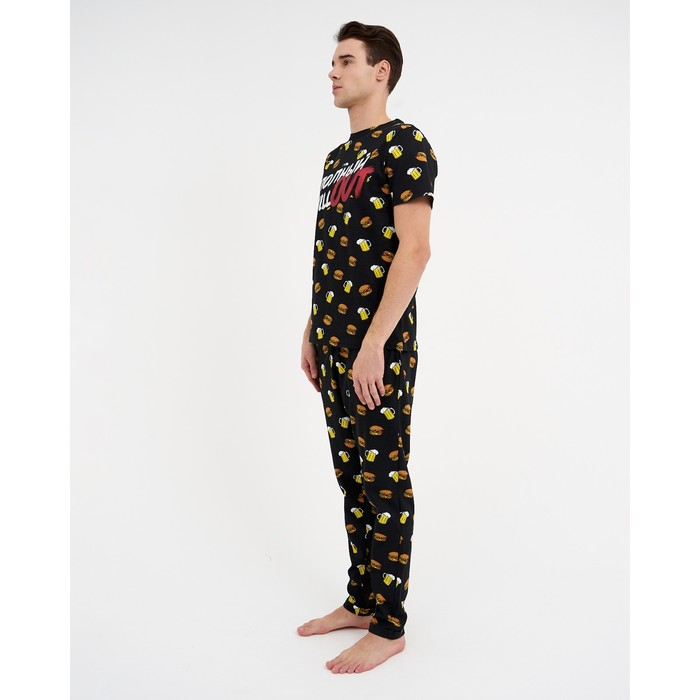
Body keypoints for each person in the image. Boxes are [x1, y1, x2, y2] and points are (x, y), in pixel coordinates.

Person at [297, 20, 438, 674]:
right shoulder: (336, 160)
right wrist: (312, 328)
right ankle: (361, 599)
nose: (333, 71)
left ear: (381, 71)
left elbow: (416, 250)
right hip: (333, 341)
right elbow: (331, 252)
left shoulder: (404, 143)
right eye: (333, 61)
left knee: (383, 477)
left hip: (375, 346)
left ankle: (389, 625)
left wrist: (373, 343)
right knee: (352, 478)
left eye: (345, 60)